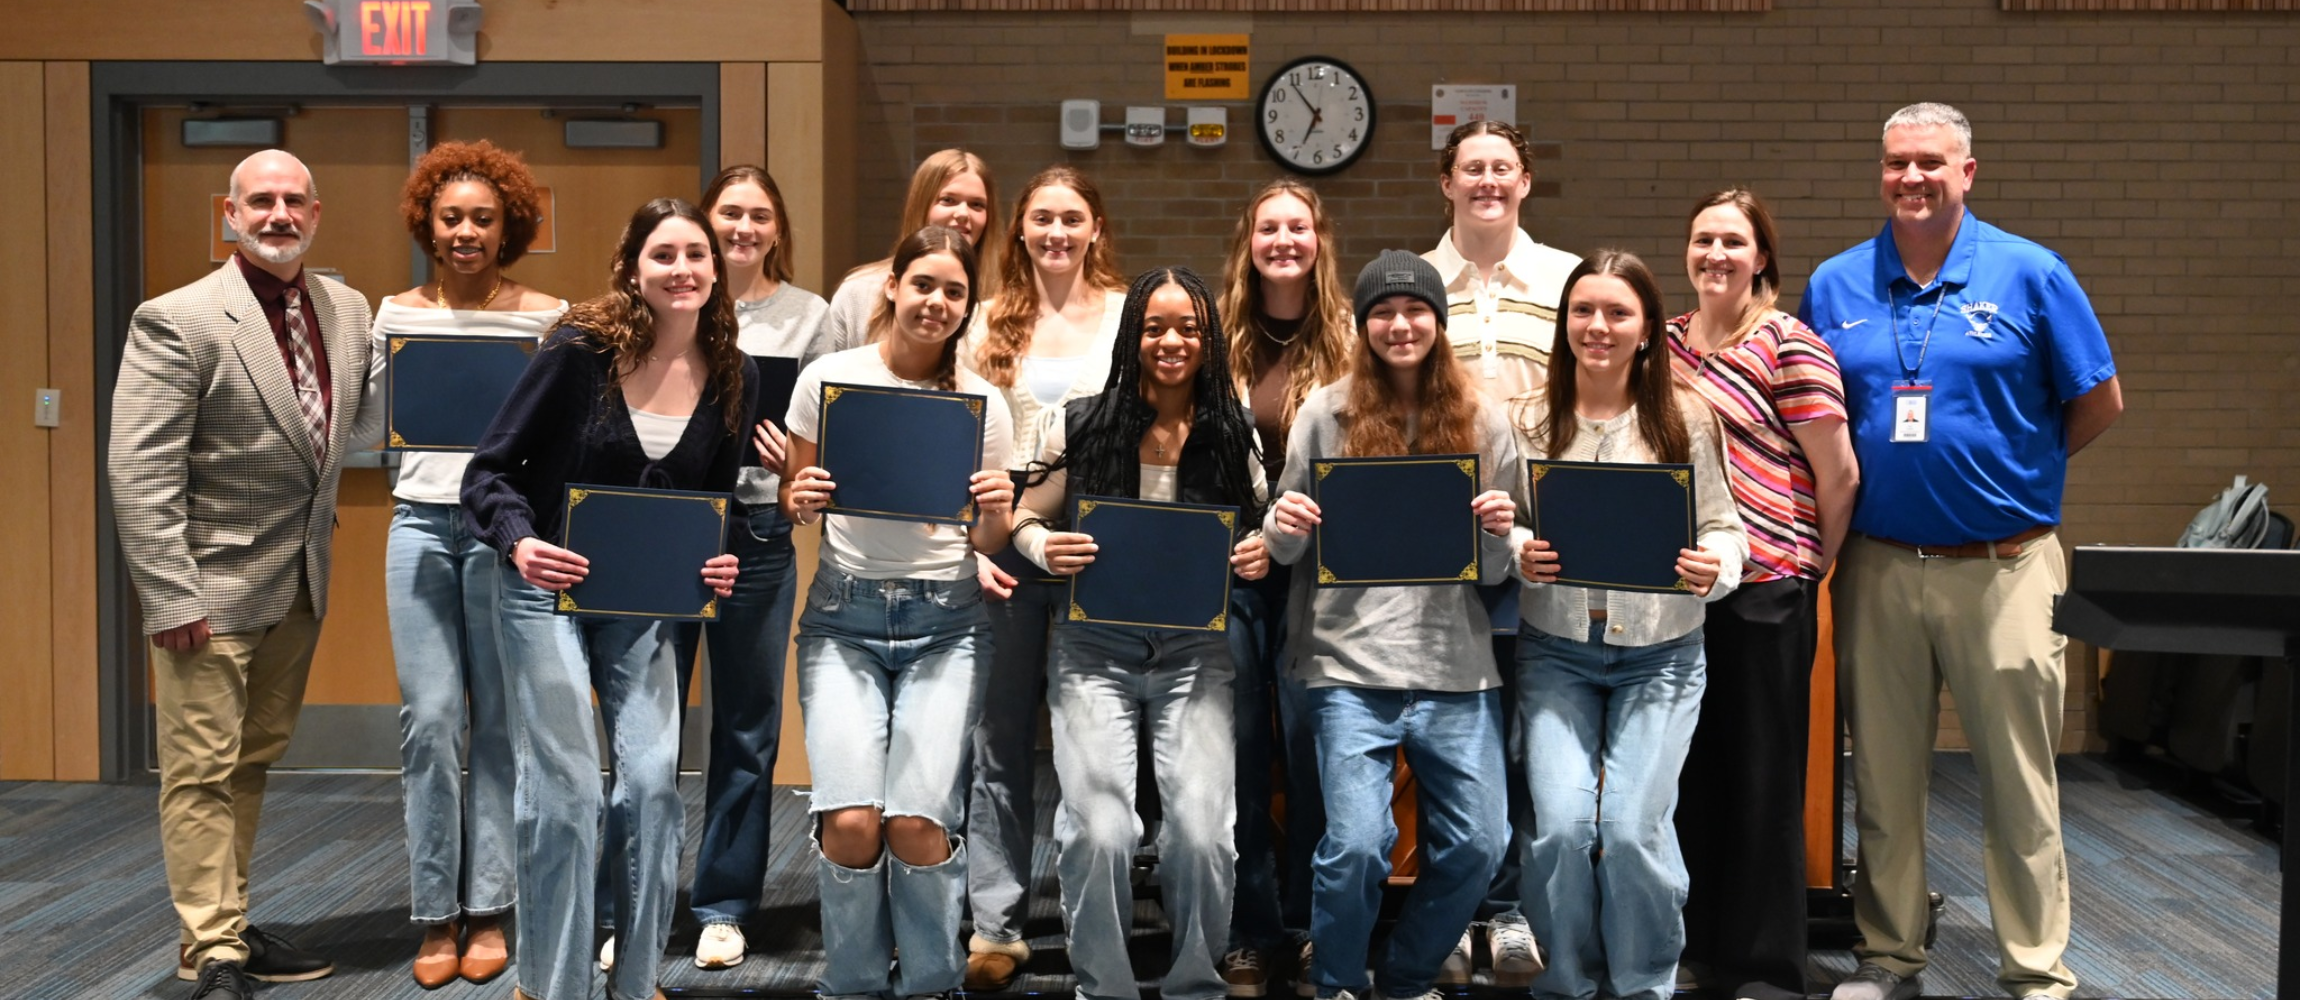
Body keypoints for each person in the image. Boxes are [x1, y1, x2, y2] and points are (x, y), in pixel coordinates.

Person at [1801, 102, 2122, 1000]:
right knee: (1887, 781)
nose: (1912, 178)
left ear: (1967, 173)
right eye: (1896, 162)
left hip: (2006, 566)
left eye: (1931, 163)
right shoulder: (1835, 285)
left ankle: (2034, 970)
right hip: (1878, 566)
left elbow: (2098, 400)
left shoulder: (2031, 273)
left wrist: (2019, 472)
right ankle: (1890, 957)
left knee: (2019, 781)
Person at [460, 197, 752, 1000]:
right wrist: (520, 541)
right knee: (568, 792)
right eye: (663, 255)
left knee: (654, 782)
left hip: (643, 602)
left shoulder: (734, 369)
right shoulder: (578, 351)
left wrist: (714, 563)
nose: (682, 269)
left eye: (697, 254)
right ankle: (551, 986)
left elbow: (711, 507)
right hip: (540, 590)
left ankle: (634, 982)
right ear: (631, 268)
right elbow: (485, 474)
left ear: (716, 269)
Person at [111, 148, 368, 1000]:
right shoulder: (176, 318)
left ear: (317, 212)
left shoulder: (348, 311)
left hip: (300, 583)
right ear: (229, 212)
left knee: (251, 759)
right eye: (261, 201)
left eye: (295, 200)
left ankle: (226, 919)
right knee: (199, 770)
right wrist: (169, 594)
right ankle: (210, 950)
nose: (279, 216)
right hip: (207, 592)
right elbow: (140, 471)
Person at [1264, 251, 1520, 1000]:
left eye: (1416, 311)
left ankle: (1408, 976)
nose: (1400, 325)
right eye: (1384, 312)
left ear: (1439, 323)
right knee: (1355, 845)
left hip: (1455, 664)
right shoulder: (1326, 413)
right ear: (1363, 323)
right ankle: (1339, 981)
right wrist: (1286, 523)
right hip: (1349, 663)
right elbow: (1285, 547)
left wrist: (1504, 534)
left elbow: (1503, 568)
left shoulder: (1484, 418)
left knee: (1479, 842)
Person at [1012, 265, 1271, 1000]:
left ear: (1209, 340)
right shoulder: (1080, 421)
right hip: (1093, 650)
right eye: (1155, 326)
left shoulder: (1231, 429)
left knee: (1200, 833)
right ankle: (1107, 987)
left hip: (1195, 653)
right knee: (1100, 830)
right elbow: (1024, 516)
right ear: (1133, 336)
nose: (1171, 341)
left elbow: (1265, 521)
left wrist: (1260, 547)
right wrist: (1040, 547)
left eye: (1188, 328)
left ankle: (1195, 982)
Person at [781, 225, 1017, 1000]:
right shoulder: (829, 378)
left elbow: (989, 537)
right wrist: (801, 498)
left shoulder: (984, 403)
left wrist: (996, 511)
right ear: (893, 285)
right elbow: (796, 499)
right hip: (843, 620)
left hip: (946, 626)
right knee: (850, 824)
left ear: (967, 306)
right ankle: (850, 985)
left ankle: (930, 984)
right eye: (924, 284)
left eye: (954, 291)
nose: (936, 302)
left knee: (917, 823)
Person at [1507, 250, 1748, 1000]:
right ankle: (1567, 984)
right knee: (1556, 832)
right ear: (1564, 322)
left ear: (1646, 329)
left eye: (1618, 313)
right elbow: (1503, 523)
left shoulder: (1686, 416)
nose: (1598, 327)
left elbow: (1724, 527)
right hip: (1557, 653)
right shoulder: (1529, 418)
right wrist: (1519, 549)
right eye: (1584, 311)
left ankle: (1645, 984)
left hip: (1662, 656)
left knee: (1634, 833)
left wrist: (1719, 565)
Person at [368, 139, 565, 989]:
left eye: (484, 219)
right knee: (432, 718)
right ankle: (433, 912)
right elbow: (373, 424)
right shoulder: (393, 314)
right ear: (427, 223)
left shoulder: (546, 318)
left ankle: (487, 907)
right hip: (416, 522)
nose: (465, 232)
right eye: (451, 218)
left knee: (499, 724)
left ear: (509, 226)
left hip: (502, 532)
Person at [1664, 188, 1857, 1000]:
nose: (1716, 254)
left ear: (1763, 258)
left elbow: (1838, 475)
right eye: (1703, 238)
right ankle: (1699, 946)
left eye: (1733, 243)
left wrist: (1808, 566)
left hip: (1770, 587)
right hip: (1684, 586)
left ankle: (1765, 966)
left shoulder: (1788, 344)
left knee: (1764, 780)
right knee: (1690, 776)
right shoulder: (1665, 344)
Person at [956, 163, 1129, 991]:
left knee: (1091, 739)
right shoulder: (984, 320)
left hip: (1101, 550)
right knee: (999, 736)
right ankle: (996, 921)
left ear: (1095, 227)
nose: (1056, 232)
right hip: (1000, 550)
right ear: (1018, 230)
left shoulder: (1131, 319)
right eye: (1041, 219)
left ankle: (1102, 908)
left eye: (1071, 218)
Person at [1423, 118, 1579, 987]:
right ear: (1446, 183)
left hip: (1534, 534)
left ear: (1525, 182)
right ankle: (1450, 907)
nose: (1487, 181)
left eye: (1502, 168)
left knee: (1520, 731)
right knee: (1448, 731)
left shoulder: (1563, 280)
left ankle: (1508, 911)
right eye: (1471, 168)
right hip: (1435, 539)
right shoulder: (1414, 283)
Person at [676, 163, 829, 971]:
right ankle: (624, 901)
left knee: (745, 728)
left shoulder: (811, 317)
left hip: (759, 532)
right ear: (706, 220)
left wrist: (791, 460)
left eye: (758, 215)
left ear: (777, 229)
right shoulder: (671, 298)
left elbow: (825, 443)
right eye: (729, 212)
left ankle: (724, 905)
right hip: (670, 531)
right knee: (646, 728)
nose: (742, 227)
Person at [1212, 179, 1354, 998]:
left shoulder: (1349, 342)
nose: (1284, 240)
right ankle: (1248, 929)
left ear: (1318, 238)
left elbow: (1365, 462)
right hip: (1230, 573)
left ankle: (1303, 927)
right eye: (1269, 226)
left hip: (1319, 581)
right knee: (1237, 752)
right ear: (1250, 239)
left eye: (1297, 226)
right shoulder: (1217, 336)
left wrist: (1289, 540)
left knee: (1310, 756)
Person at [808, 148, 1000, 365]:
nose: (963, 214)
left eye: (977, 205)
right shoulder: (859, 292)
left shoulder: (1002, 300)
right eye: (948, 200)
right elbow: (831, 380)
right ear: (921, 205)